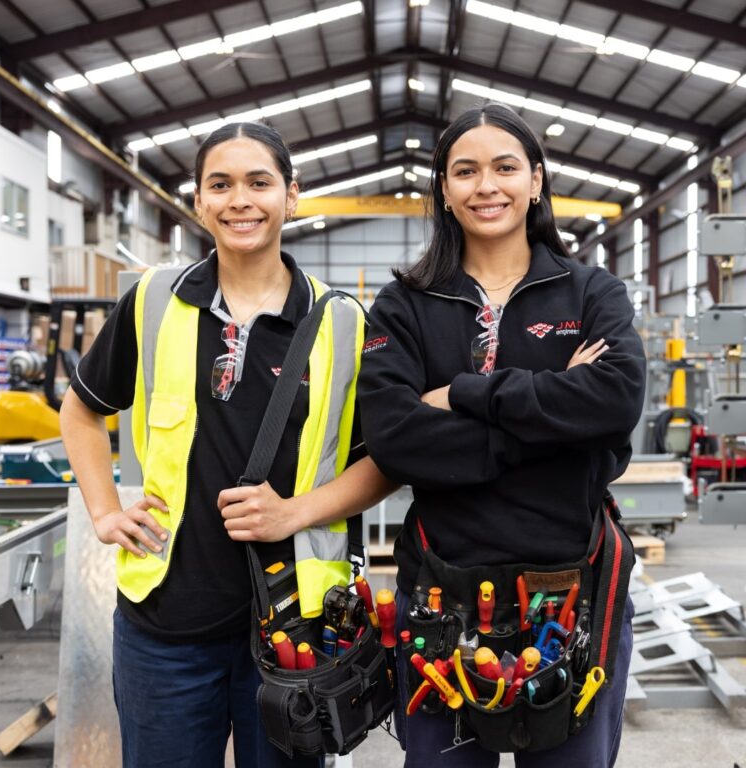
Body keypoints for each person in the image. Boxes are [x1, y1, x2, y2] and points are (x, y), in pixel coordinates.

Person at [59, 121, 395, 768]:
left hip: (295, 627)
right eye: (221, 184)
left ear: (291, 197)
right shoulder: (153, 301)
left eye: (259, 183)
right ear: (199, 201)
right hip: (165, 625)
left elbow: (385, 461)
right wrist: (103, 511)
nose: (240, 199)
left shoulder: (344, 322)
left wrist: (294, 512)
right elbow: (80, 412)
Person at [357, 102, 646, 768]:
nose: (486, 185)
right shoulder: (403, 305)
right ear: (444, 190)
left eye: (505, 167)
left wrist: (463, 394)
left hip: (573, 594)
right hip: (440, 599)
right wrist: (553, 429)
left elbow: (615, 399)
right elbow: (397, 439)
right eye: (465, 171)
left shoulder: (590, 292)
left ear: (537, 181)